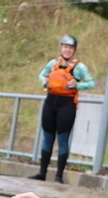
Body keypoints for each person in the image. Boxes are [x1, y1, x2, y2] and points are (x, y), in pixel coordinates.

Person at [30, 34, 95, 184]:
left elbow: (91, 83)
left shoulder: (79, 67)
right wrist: (44, 81)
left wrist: (78, 85)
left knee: (63, 140)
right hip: (50, 102)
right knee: (47, 138)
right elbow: (41, 75)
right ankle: (42, 173)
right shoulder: (53, 63)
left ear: (74, 50)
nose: (67, 50)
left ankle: (59, 176)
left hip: (67, 105)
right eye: (65, 47)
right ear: (60, 48)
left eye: (70, 48)